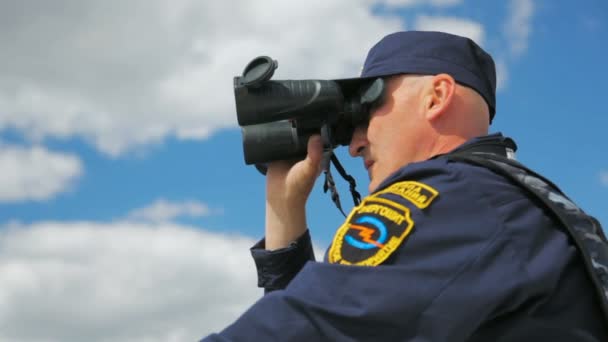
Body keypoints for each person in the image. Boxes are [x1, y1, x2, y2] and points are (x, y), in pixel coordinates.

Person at [201, 31, 608, 341]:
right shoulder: (511, 205)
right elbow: (321, 316)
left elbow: (310, 328)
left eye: (369, 106)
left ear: (436, 96)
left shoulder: (456, 197)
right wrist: (285, 209)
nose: (356, 143)